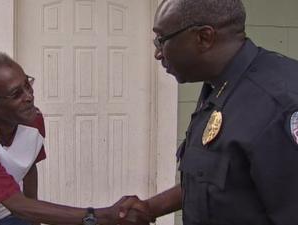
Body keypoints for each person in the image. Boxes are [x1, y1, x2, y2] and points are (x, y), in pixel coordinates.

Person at [118, 0, 298, 224]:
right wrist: (150, 208)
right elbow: (216, 178)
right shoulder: (221, 86)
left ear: (204, 38)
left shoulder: (278, 106)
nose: (157, 53)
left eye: (161, 40)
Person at [0, 52, 150, 225]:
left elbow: (29, 167)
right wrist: (100, 216)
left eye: (27, 85)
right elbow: (15, 203)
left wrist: (34, 220)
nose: (29, 96)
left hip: (8, 216)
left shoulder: (33, 119)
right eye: (16, 94)